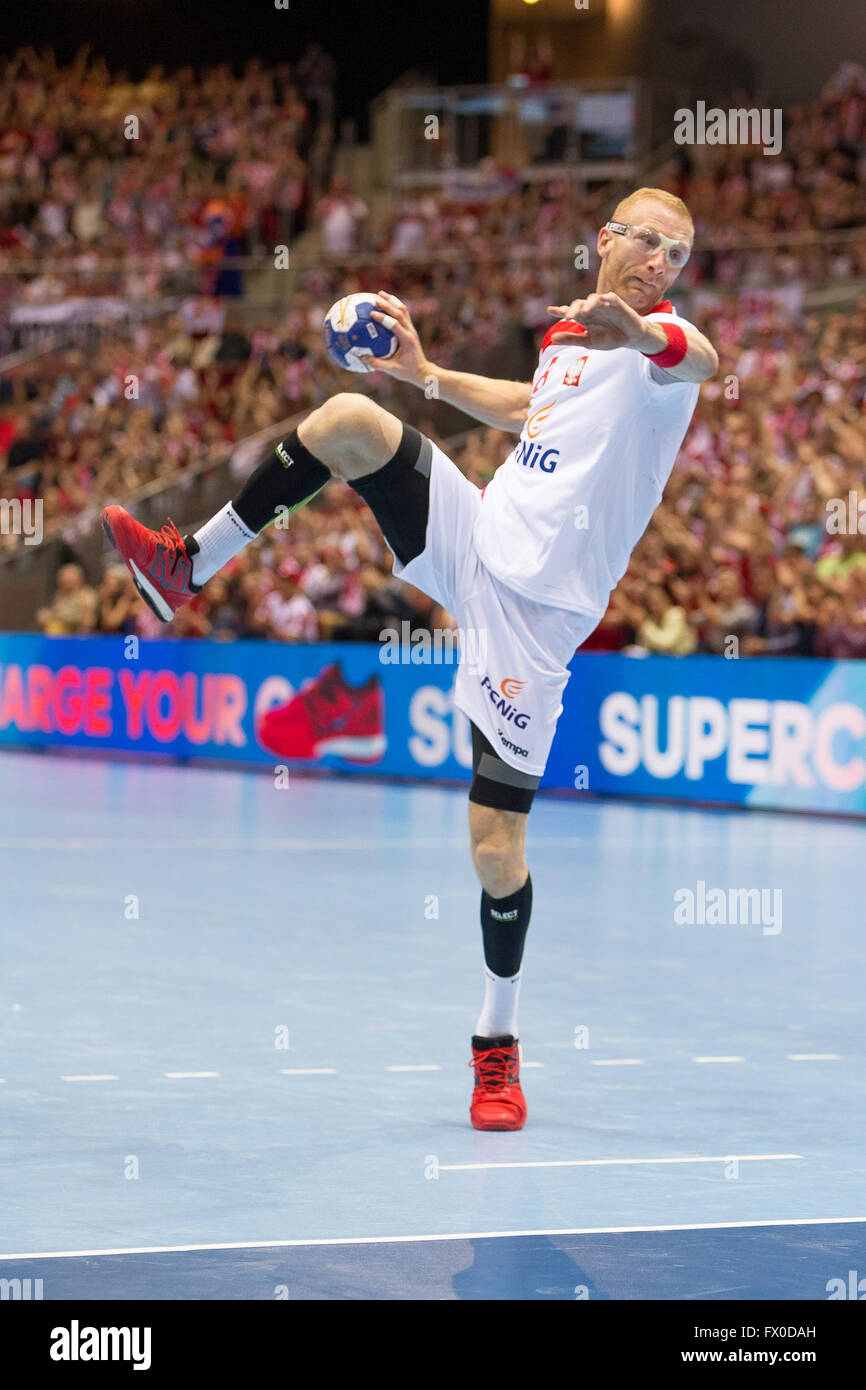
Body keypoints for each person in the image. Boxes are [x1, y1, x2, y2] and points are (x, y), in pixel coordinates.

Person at [101, 187, 718, 1131]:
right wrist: (427, 374)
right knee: (350, 416)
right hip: (480, 536)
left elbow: (704, 360)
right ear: (605, 239)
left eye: (677, 253)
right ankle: (188, 567)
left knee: (495, 852)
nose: (661, 262)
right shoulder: (564, 341)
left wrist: (640, 329)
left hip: (539, 621)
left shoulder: (660, 346)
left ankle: (496, 1046)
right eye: (648, 242)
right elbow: (532, 408)